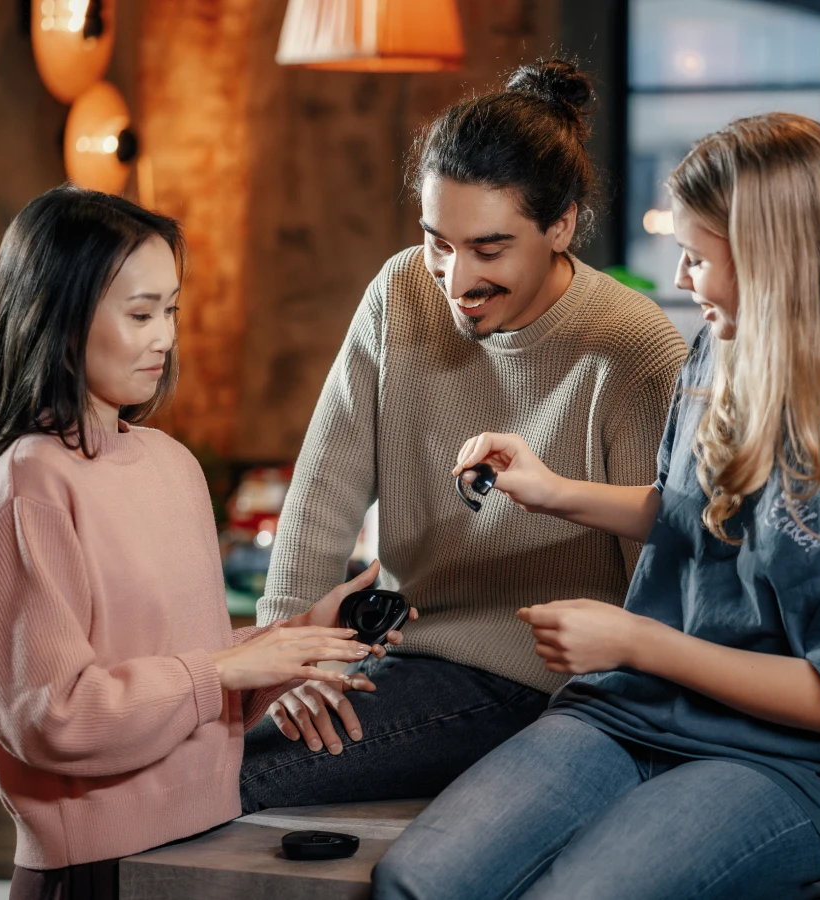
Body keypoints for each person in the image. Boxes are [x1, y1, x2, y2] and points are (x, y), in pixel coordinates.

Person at [373, 112, 820, 900]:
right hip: (628, 716)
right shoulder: (721, 353)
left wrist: (636, 642)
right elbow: (702, 518)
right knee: (416, 880)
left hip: (792, 766)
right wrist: (553, 491)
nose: (679, 280)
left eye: (696, 257)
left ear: (776, 264)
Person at [239, 59, 689, 810]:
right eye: (436, 241)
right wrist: (290, 656)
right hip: (398, 648)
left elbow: (666, 585)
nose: (453, 279)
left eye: (488, 248)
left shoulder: (634, 350)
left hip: (542, 683)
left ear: (562, 225)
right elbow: (324, 492)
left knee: (226, 778)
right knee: (185, 759)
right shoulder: (398, 293)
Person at [0, 185, 407, 900]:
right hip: (93, 871)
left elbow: (191, 680)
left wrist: (292, 645)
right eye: (140, 314)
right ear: (60, 318)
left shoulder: (173, 464)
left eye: (170, 310)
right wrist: (222, 673)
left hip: (207, 845)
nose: (164, 336)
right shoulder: (31, 483)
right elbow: (52, 716)